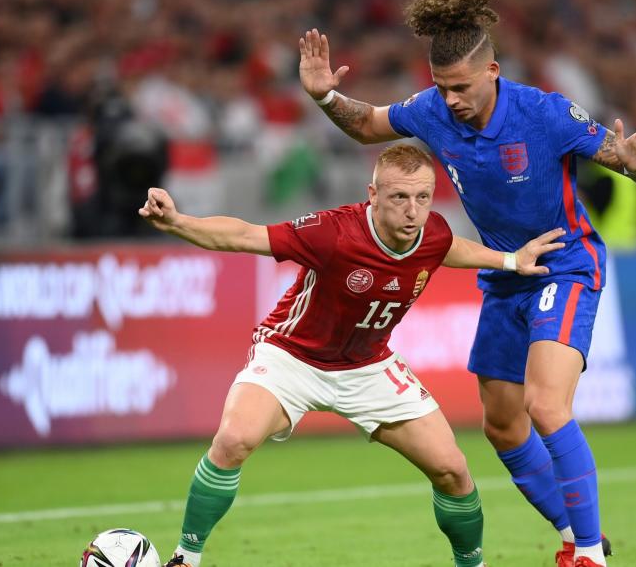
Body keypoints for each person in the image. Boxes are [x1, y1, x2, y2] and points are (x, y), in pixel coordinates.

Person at [298, 0, 636, 567]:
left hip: (565, 266)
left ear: (492, 69)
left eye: (462, 87)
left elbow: (617, 156)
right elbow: (368, 124)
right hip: (505, 275)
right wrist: (325, 98)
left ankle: (590, 555)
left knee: (546, 406)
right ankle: (575, 534)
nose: (453, 100)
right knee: (502, 426)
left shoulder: (542, 112)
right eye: (443, 88)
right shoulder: (434, 110)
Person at [140, 144, 568, 567]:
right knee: (233, 440)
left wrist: (509, 259)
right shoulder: (332, 232)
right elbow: (247, 235)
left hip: (368, 367)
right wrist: (178, 222)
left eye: (422, 197)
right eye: (400, 197)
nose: (413, 211)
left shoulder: (430, 232)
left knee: (453, 470)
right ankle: (185, 558)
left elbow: (449, 247)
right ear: (373, 194)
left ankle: (472, 565)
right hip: (293, 357)